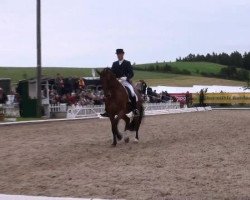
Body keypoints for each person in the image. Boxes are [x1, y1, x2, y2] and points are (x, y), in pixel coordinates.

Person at [101, 49, 138, 117]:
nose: (119, 55)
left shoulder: (127, 63)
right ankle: (107, 110)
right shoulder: (114, 64)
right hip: (116, 81)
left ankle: (134, 109)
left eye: (120, 54)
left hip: (125, 81)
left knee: (132, 92)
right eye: (118, 54)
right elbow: (112, 73)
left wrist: (126, 77)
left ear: (123, 54)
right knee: (108, 93)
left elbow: (131, 73)